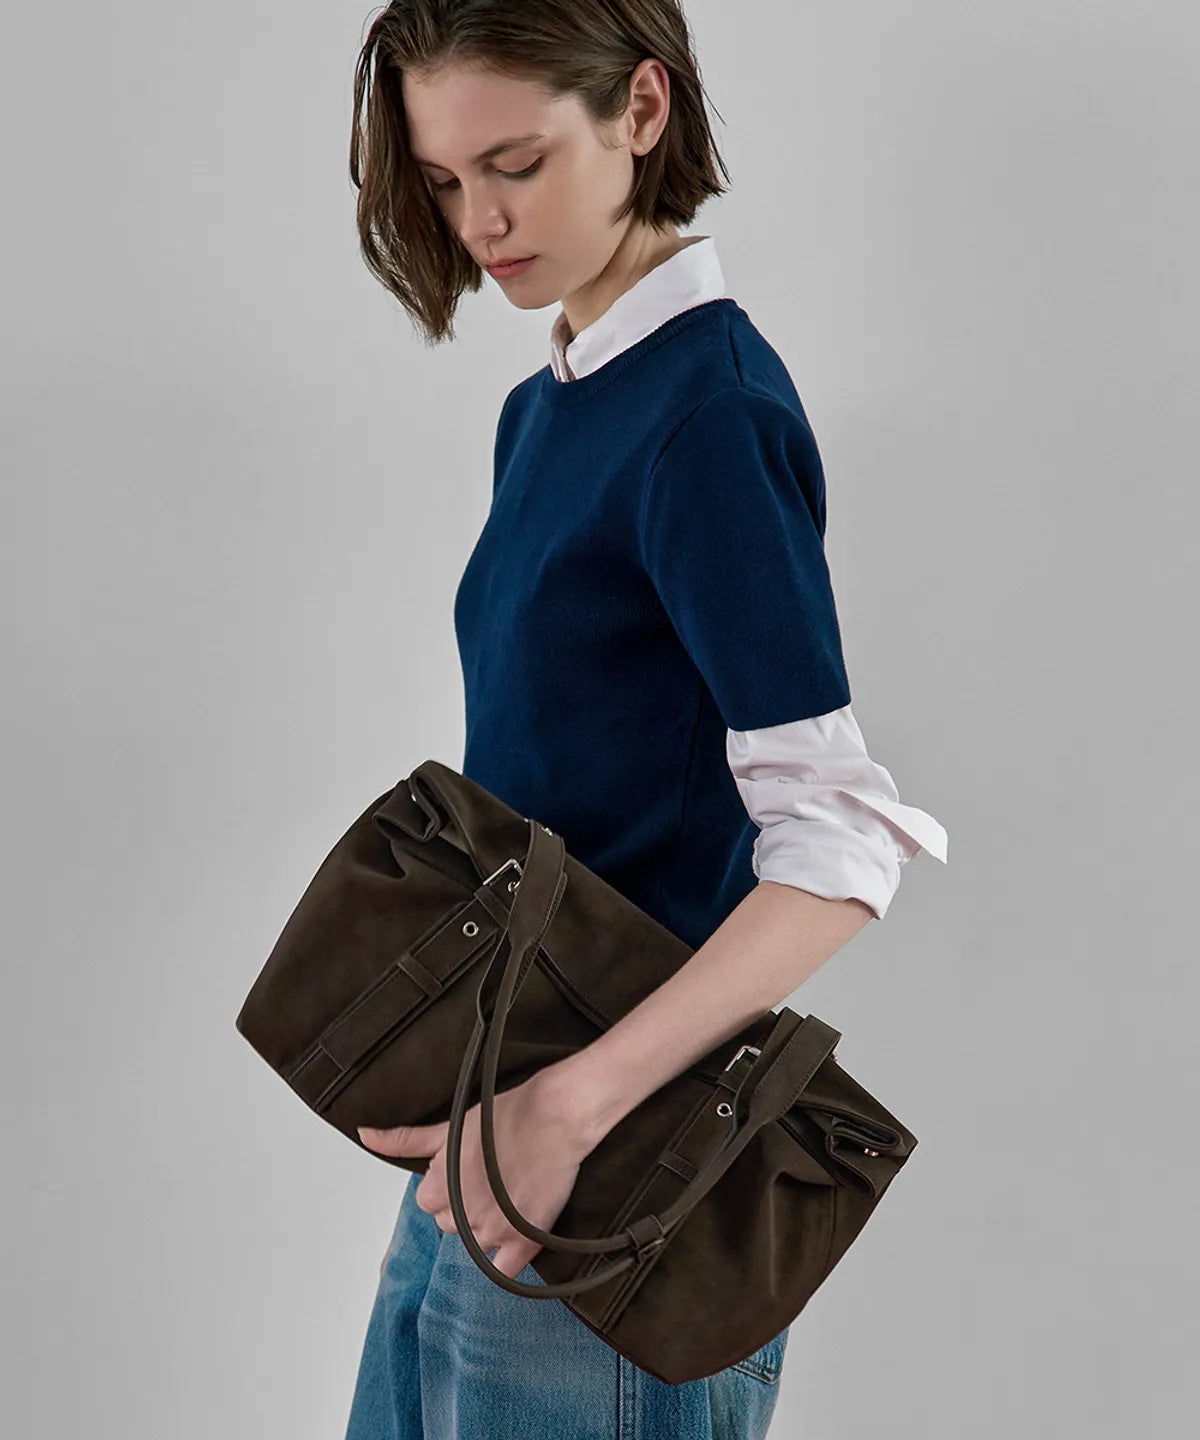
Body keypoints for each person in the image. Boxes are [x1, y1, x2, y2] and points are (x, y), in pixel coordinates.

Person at [342, 3, 948, 1436]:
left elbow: (840, 839)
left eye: (516, 163)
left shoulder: (706, 418)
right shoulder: (549, 405)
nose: (480, 221)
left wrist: (568, 1111)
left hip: (613, 1182)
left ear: (641, 111)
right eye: (444, 179)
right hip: (496, 1144)